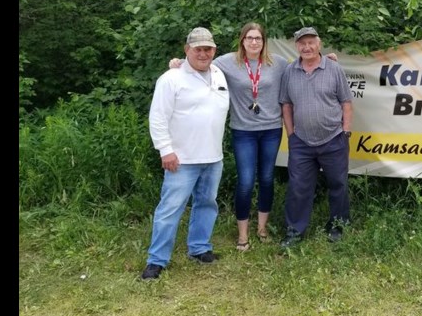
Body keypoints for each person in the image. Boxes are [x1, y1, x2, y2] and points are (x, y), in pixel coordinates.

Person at [168, 22, 339, 251]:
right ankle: (242, 234)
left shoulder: (277, 63)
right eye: (249, 38)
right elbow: (200, 61)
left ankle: (262, 228)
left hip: (271, 130)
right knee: (246, 181)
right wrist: (178, 62)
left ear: (264, 41)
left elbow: (304, 64)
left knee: (267, 179)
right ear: (242, 40)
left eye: (258, 38)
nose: (254, 42)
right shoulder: (226, 62)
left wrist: (326, 58)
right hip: (243, 131)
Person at [142, 27, 229, 280]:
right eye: (198, 49)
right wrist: (166, 151)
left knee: (206, 204)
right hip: (181, 159)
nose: (203, 53)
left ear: (214, 50)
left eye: (208, 48)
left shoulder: (219, 73)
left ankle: (199, 248)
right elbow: (157, 118)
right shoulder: (171, 78)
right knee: (170, 209)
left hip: (213, 157)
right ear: (186, 49)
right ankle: (156, 261)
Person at [279, 27, 354, 248]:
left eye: (311, 42)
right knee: (298, 187)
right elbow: (286, 105)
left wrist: (346, 131)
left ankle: (338, 227)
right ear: (297, 46)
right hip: (301, 141)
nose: (307, 47)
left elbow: (346, 102)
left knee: (338, 184)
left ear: (319, 44)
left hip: (334, 138)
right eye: (302, 43)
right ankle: (294, 232)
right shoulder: (290, 72)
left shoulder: (333, 68)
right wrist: (291, 135)